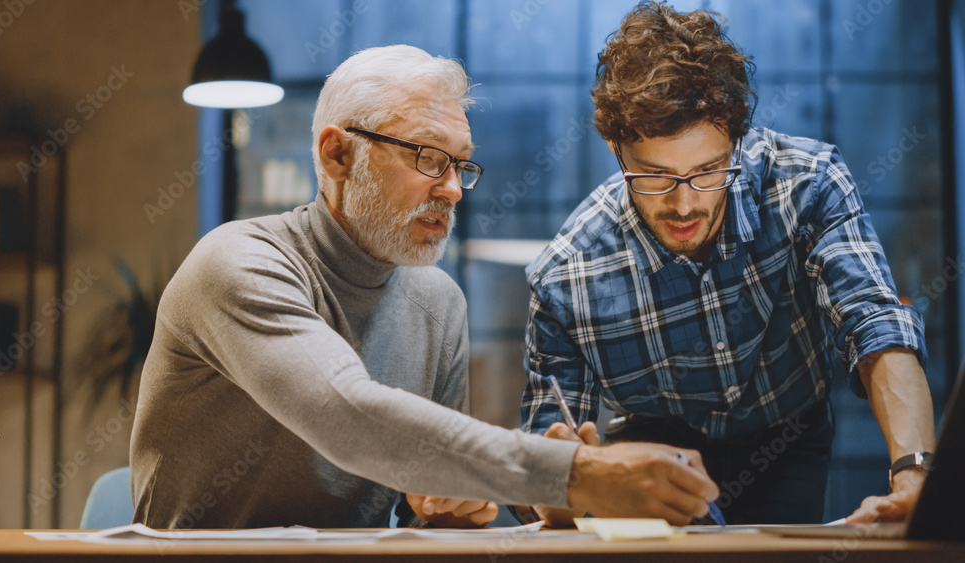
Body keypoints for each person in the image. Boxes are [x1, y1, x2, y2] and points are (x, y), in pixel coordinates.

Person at [130, 44, 720, 530]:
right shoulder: (238, 264)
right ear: (337, 155)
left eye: (460, 164)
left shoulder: (437, 302)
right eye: (427, 158)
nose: (453, 189)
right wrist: (576, 471)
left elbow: (424, 511)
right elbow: (349, 418)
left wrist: (457, 504)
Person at [521, 2, 936, 526]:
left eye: (709, 171)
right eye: (655, 176)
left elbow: (874, 322)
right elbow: (539, 461)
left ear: (737, 141)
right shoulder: (565, 274)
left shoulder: (807, 184)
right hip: (655, 445)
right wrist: (565, 480)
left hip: (788, 428)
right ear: (615, 148)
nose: (685, 203)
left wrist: (917, 473)